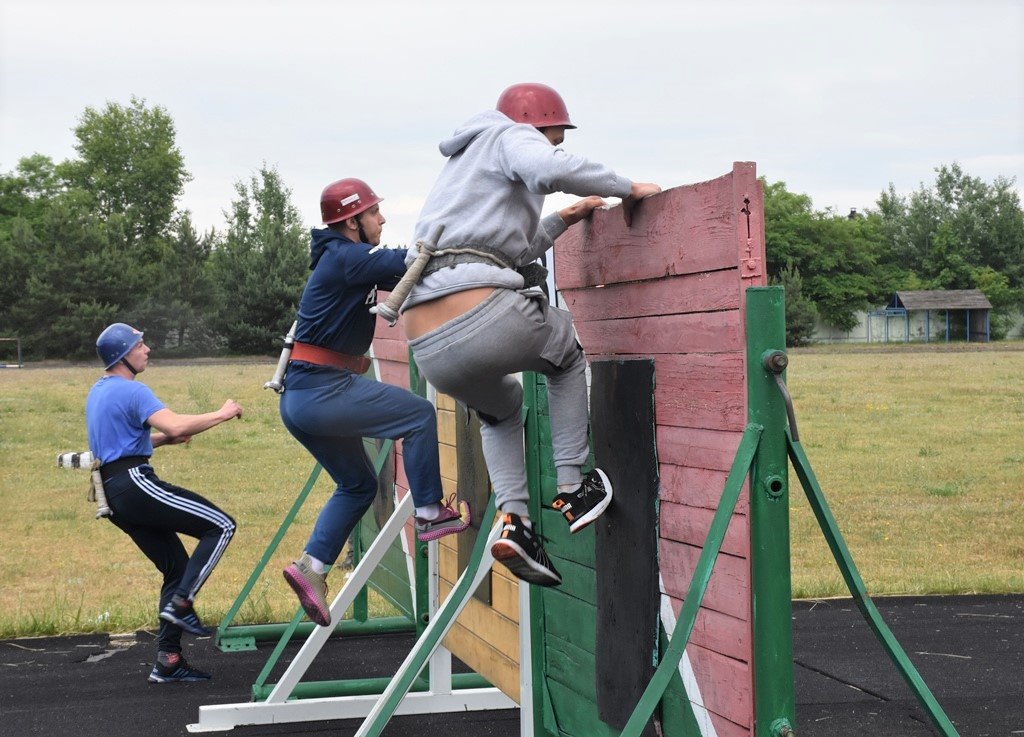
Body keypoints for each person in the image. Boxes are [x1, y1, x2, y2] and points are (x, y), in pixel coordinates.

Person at [400, 83, 661, 587]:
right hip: (480, 315)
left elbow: (499, 255)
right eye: (555, 138)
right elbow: (548, 169)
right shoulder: (509, 137)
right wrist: (626, 187)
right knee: (564, 355)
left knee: (502, 411)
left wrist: (562, 218)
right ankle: (574, 484)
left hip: (427, 343)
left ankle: (515, 520)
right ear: (536, 125)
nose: (555, 149)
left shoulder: (462, 174)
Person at [279, 178, 471, 627]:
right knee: (419, 414)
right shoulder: (345, 256)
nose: (382, 218)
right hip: (322, 390)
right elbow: (411, 258)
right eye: (373, 213)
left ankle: (313, 568)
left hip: (302, 400)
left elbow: (415, 273)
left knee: (359, 485)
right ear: (352, 221)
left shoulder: (345, 261)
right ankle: (428, 513)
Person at [85, 323, 242, 683]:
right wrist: (223, 412)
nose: (148, 349)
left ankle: (168, 659)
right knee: (221, 525)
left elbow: (118, 445)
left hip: (113, 492)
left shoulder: (99, 391)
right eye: (140, 344)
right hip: (134, 484)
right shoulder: (132, 391)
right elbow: (173, 424)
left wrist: (157, 442)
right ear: (123, 354)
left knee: (175, 566)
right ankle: (182, 604)